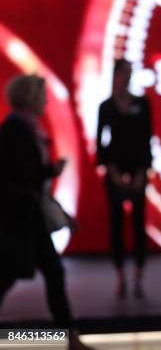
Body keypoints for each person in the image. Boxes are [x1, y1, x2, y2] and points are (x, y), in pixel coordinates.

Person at [0, 74, 94, 350]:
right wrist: (49, 172)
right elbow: (20, 174)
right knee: (18, 274)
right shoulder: (15, 131)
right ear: (30, 97)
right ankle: (70, 338)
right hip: (20, 217)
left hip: (27, 216)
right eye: (41, 95)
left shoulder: (28, 129)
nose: (45, 100)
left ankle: (70, 337)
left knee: (47, 272)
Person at [96, 59, 152, 298]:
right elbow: (101, 143)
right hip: (115, 171)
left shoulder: (142, 103)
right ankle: (120, 276)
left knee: (139, 225)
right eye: (124, 73)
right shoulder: (106, 106)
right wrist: (113, 172)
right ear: (116, 74)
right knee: (116, 225)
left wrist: (142, 172)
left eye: (130, 73)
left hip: (138, 170)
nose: (127, 77)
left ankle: (139, 276)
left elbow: (147, 140)